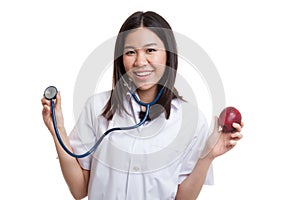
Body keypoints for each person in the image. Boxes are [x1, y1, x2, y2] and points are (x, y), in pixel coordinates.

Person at [41, 11, 243, 200]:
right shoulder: (97, 108)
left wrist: (207, 157)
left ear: (168, 54)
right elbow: (79, 190)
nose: (140, 61)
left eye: (151, 50)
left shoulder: (191, 120)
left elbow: (182, 197)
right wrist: (57, 129)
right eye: (130, 52)